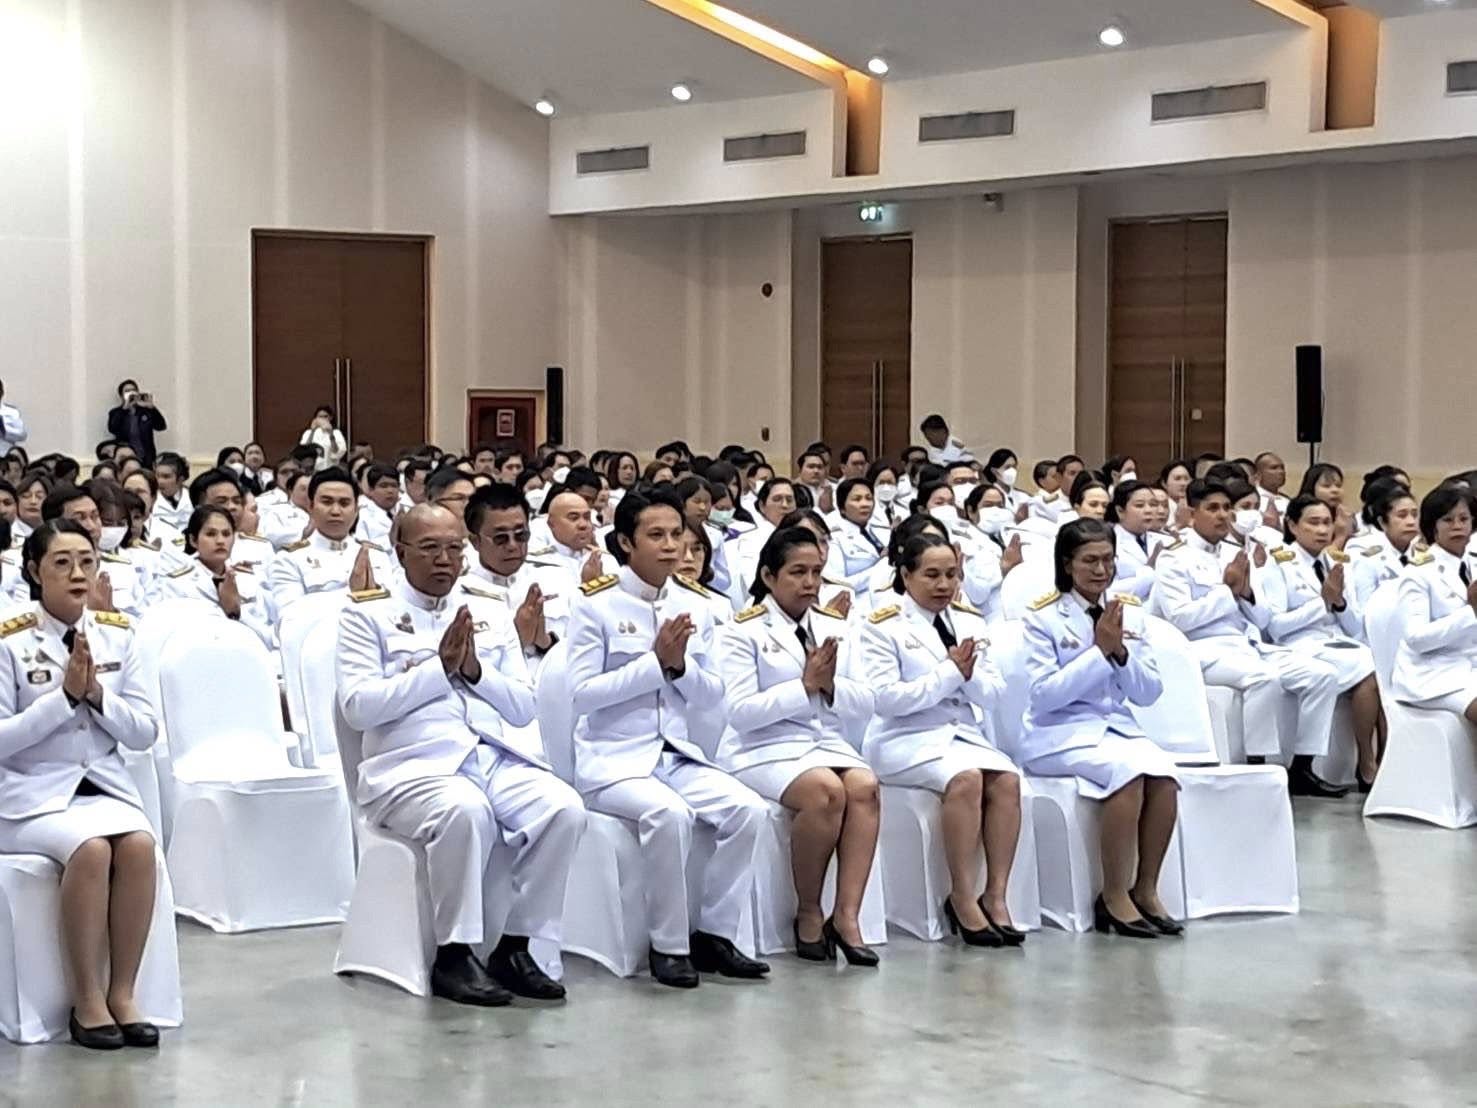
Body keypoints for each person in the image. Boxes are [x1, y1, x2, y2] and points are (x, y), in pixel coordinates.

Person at [337, 504, 585, 1006]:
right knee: (465, 810)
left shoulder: (487, 609)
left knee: (564, 808)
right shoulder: (367, 615)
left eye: (454, 548)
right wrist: (438, 671)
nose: (444, 560)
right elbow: (358, 708)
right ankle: (455, 953)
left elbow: (521, 708)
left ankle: (516, 945)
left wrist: (474, 671)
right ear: (400, 551)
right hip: (410, 767)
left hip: (490, 756)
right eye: (429, 548)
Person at [565, 487, 770, 988]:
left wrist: (677, 667)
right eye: (655, 535)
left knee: (749, 810)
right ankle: (669, 945)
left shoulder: (697, 606)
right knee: (669, 815)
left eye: (677, 534)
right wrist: (653, 665)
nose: (671, 546)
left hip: (674, 755)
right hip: (613, 761)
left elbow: (713, 694)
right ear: (625, 543)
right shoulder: (595, 606)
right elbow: (581, 695)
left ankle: (715, 935)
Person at [0, 520, 161, 1048]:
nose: (78, 573)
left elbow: (143, 732)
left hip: (105, 789)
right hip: (28, 796)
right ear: (34, 571)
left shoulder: (119, 631)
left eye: (87, 561)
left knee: (138, 847)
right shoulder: (9, 638)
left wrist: (97, 697)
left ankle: (123, 992)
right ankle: (86, 999)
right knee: (90, 851)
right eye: (62, 563)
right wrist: (62, 700)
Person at [717, 528, 880, 965]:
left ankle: (846, 916)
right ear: (769, 577)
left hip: (824, 740)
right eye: (798, 573)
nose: (810, 583)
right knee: (827, 791)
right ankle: (809, 909)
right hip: (762, 747)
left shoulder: (834, 625)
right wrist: (803, 688)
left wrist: (828, 689)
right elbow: (739, 712)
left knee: (865, 786)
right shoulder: (741, 630)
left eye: (816, 573)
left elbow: (867, 700)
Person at [1020, 519, 1181, 938]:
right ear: (1067, 563)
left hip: (1114, 729)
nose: (1100, 570)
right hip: (1056, 733)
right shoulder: (1042, 617)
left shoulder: (1127, 612)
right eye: (1089, 561)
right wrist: (1098, 653)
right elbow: (1043, 696)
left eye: (1108, 560)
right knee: (1126, 776)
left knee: (1164, 776)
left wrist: (1122, 653)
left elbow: (1148, 693)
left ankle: (1145, 888)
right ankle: (1113, 895)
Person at [860, 533, 1023, 946]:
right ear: (905, 575)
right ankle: (962, 896)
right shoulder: (883, 624)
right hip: (903, 738)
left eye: (951, 575)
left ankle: (996, 896)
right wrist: (949, 674)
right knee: (966, 778)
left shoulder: (969, 620)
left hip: (960, 733)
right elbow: (887, 700)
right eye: (931, 575)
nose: (943, 585)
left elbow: (994, 692)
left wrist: (964, 677)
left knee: (1007, 780)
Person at [1151, 480, 1346, 797]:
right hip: (1203, 651)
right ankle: (1257, 766)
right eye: (1212, 508)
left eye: (1227, 508)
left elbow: (1263, 618)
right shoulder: (1174, 558)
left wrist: (1247, 593)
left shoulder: (1235, 553)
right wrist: (1227, 592)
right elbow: (1180, 619)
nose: (1222, 515)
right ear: (1191, 513)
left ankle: (1302, 768)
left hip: (1248, 645)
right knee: (1263, 678)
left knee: (1322, 675)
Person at [1268, 496, 1382, 789]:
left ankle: (1382, 759)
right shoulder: (1278, 562)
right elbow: (1276, 626)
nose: (1322, 530)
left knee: (1383, 661)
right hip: (1299, 644)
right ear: (1292, 525)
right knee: (1369, 668)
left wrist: (1340, 601)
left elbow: (1356, 626)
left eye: (1327, 523)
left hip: (1338, 643)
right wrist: (1323, 602)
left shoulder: (1337, 562)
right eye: (1313, 522)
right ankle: (1367, 763)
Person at [1391, 486, 1477, 726]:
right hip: (1433, 674)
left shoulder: (1473, 564)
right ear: (1433, 526)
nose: (1457, 526)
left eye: (1464, 519)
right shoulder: (1419, 573)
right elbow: (1417, 639)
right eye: (1448, 520)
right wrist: (1471, 613)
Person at [460, 483, 569, 667]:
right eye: (500, 538)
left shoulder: (556, 577)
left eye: (521, 535)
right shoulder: (459, 592)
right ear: (475, 541)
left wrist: (546, 642)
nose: (512, 545)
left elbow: (579, 650)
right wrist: (516, 640)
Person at [269, 468, 392, 612]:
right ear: (311, 506)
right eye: (327, 502)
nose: (335, 511)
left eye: (344, 503)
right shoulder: (288, 559)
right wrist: (353, 594)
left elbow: (393, 611)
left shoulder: (376, 555)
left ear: (356, 510)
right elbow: (289, 616)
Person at [159, 506, 275, 647]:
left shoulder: (250, 579)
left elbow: (268, 638)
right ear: (193, 540)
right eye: (211, 534)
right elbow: (177, 638)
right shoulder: (176, 584)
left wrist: (236, 612)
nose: (220, 541)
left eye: (226, 534)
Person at [39, 485, 151, 619]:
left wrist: (109, 615)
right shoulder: (41, 568)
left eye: (95, 516)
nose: (91, 526)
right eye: (79, 519)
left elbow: (140, 621)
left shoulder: (122, 568)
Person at [1351, 484, 1421, 612]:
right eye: (1402, 515)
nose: (1411, 521)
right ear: (1382, 522)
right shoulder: (1365, 553)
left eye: (1415, 515)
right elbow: (1364, 608)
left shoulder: (1423, 554)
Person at [826, 477, 885, 596]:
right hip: (858, 604)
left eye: (869, 498)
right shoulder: (834, 538)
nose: (865, 504)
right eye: (857, 499)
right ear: (842, 508)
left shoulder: (882, 530)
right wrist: (883, 566)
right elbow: (837, 585)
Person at [1107, 480, 1163, 601]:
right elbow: (1108, 591)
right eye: (1139, 505)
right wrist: (1149, 572)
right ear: (1120, 511)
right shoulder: (1108, 543)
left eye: (1153, 504)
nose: (1148, 510)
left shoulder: (1165, 541)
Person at [106, 380, 168, 466]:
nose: (131, 393)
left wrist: (152, 408)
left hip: (147, 458)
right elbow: (113, 429)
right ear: (121, 395)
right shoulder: (116, 412)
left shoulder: (145, 411)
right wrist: (124, 409)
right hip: (126, 457)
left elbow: (161, 426)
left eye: (133, 390)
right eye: (127, 391)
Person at [1298, 463, 1356, 547]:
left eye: (1338, 486)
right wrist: (1341, 536)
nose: (1335, 490)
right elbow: (1319, 558)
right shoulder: (1300, 514)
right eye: (1326, 486)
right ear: (1311, 487)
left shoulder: (1344, 515)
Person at [355, 463, 402, 548]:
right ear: (371, 490)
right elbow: (361, 546)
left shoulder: (403, 511)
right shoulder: (361, 516)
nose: (390, 490)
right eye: (383, 486)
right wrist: (391, 538)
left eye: (394, 486)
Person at [151, 453, 192, 531]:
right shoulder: (150, 499)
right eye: (157, 476)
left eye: (166, 476)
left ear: (180, 479)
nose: (159, 481)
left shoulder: (192, 498)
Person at [300, 406, 347, 471]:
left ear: (330, 418)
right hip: (312, 470)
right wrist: (312, 431)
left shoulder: (336, 432)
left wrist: (331, 434)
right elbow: (304, 450)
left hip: (330, 469)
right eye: (320, 416)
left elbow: (337, 452)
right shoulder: (308, 432)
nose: (322, 419)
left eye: (325, 416)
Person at [14, 470, 51, 542]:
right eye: (26, 496)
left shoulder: (56, 532)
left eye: (39, 496)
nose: (33, 501)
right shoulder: (7, 532)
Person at [1158, 459, 1194, 528]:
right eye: (1177, 479)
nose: (1183, 483)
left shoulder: (1195, 506)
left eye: (1186, 479)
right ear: (1164, 483)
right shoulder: (1159, 509)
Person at [1254, 452, 1289, 518]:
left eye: (1282, 467)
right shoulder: (1253, 500)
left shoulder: (1287, 501)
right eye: (1274, 468)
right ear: (1259, 474)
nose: (1281, 471)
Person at [0, 380, 27, 453]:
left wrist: (3, 427)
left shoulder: (11, 412)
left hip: (4, 457)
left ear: (2, 393)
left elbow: (22, 435)